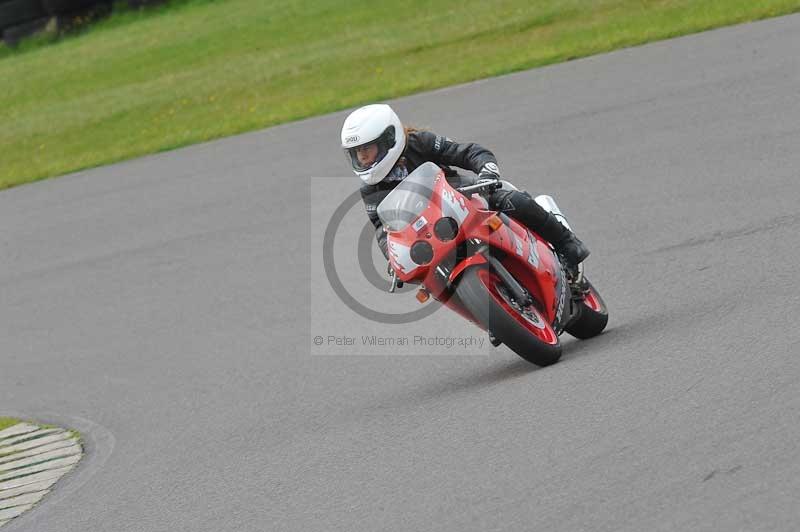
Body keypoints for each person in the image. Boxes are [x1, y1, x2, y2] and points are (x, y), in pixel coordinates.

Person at [340, 103, 590, 271]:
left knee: (509, 200)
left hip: (463, 195)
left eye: (366, 149)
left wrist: (486, 168)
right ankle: (490, 312)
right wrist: (393, 257)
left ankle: (567, 242)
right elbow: (382, 228)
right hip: (430, 230)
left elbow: (465, 152)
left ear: (388, 139)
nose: (362, 158)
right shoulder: (370, 190)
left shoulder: (419, 143)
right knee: (432, 278)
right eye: (356, 153)